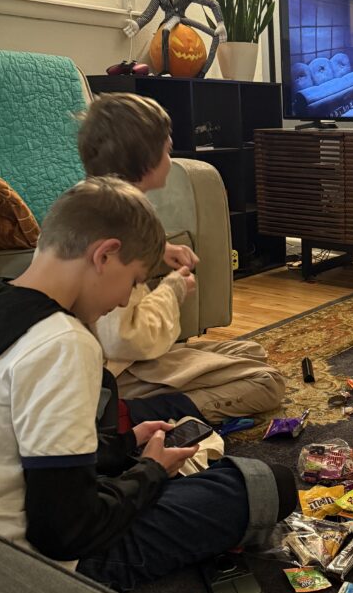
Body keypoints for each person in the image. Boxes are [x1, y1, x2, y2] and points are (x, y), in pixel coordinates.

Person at [0, 177, 296, 589]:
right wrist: (152, 472)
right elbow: (64, 533)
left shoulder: (8, 303)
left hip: (29, 513)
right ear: (105, 255)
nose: (125, 299)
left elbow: (28, 446)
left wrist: (123, 445)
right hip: (37, 567)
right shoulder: (63, 343)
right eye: (136, 280)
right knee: (269, 485)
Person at [77, 93, 286, 424]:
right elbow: (123, 340)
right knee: (267, 383)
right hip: (120, 370)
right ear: (147, 159)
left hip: (127, 361)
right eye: (167, 150)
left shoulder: (93, 203)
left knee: (252, 352)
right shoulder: (119, 229)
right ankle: (134, 413)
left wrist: (159, 249)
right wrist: (173, 290)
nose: (171, 157)